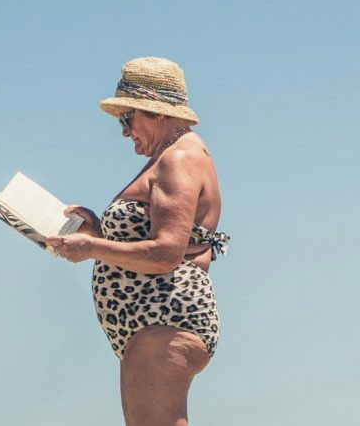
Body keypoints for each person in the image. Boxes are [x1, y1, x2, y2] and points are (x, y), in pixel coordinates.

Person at [45, 57, 229, 426]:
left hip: (163, 319)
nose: (125, 132)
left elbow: (166, 253)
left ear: (156, 112)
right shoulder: (170, 157)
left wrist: (91, 249)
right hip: (151, 324)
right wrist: (98, 232)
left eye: (126, 119)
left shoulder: (179, 159)